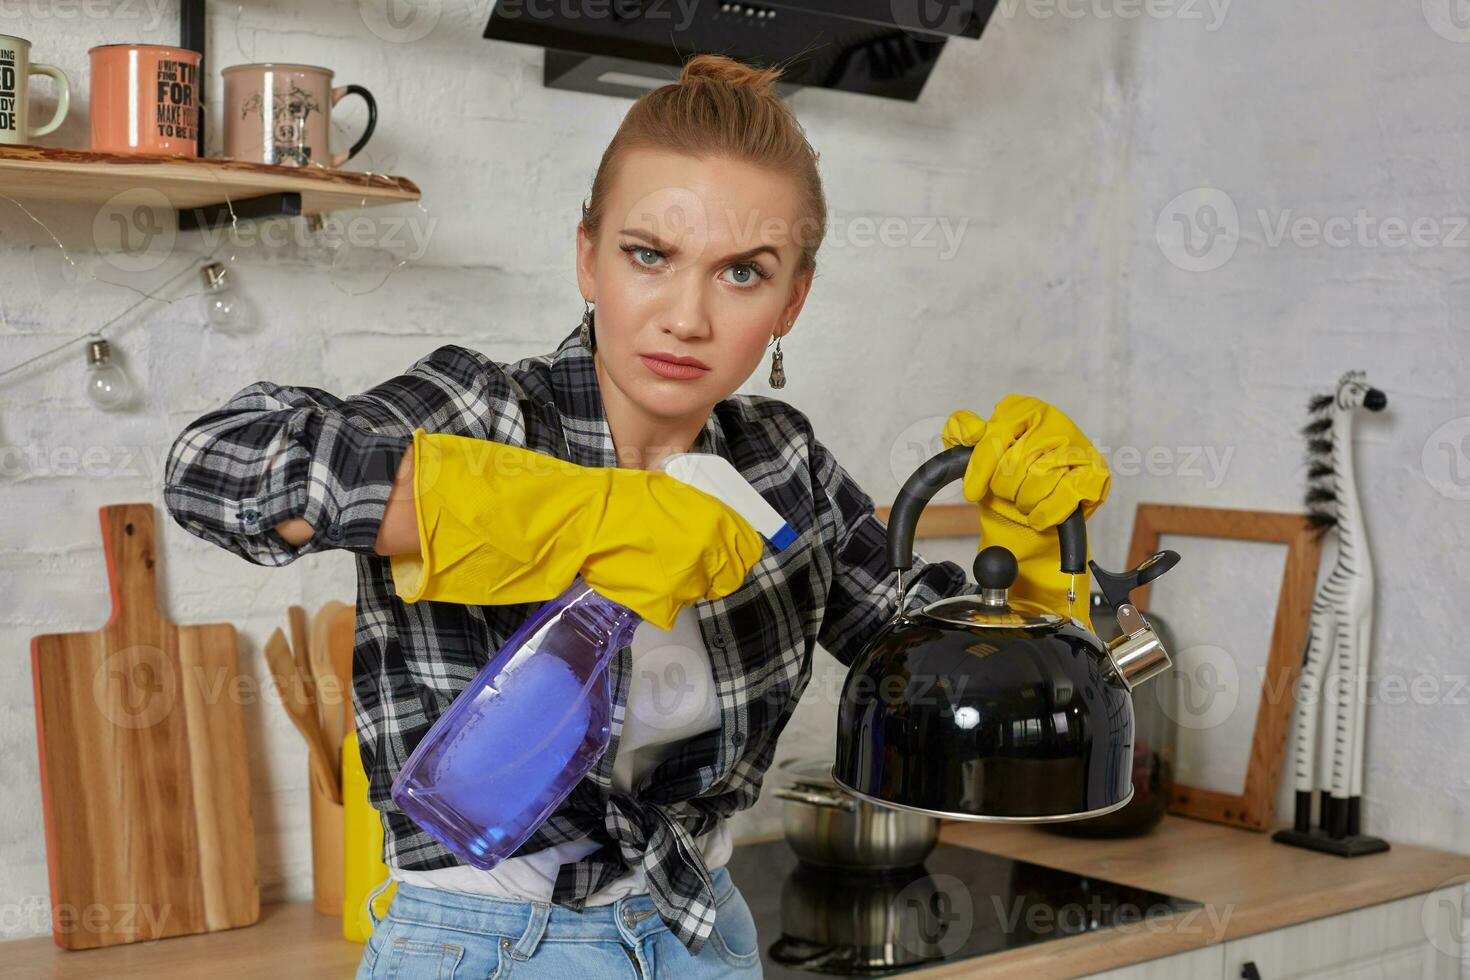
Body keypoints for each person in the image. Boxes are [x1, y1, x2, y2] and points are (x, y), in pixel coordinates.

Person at [163, 53, 1110, 980]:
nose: (686, 316)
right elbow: (216, 469)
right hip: (487, 945)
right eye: (649, 255)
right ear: (587, 256)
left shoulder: (784, 467)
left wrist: (1029, 567)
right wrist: (584, 515)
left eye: (743, 273)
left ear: (793, 299)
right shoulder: (490, 415)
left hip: (705, 937)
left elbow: (923, 683)